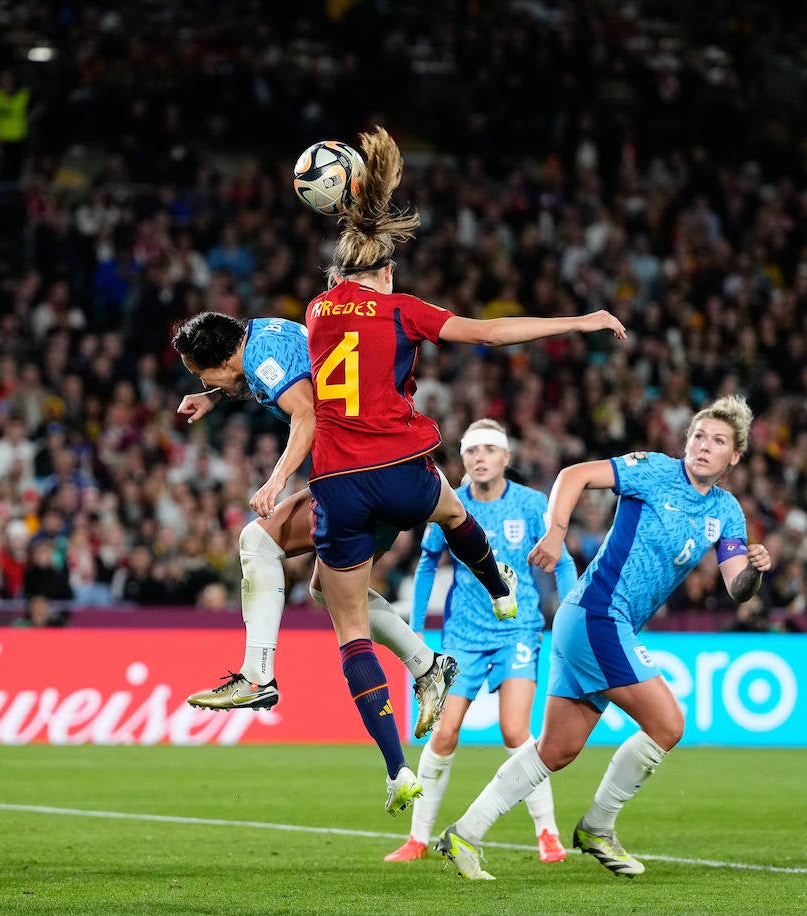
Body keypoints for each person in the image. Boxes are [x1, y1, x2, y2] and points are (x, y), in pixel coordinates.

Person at [303, 125, 627, 815]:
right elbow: (488, 333)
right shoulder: (401, 309)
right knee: (452, 510)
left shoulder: (315, 311)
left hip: (334, 482)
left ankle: (396, 771)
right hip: (398, 467)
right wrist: (578, 321)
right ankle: (499, 587)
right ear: (387, 270)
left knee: (350, 629)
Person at [437, 395, 773, 880]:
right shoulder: (654, 471)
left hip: (594, 624)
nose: (703, 446)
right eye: (698, 435)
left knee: (556, 750)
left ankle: (463, 834)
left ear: (734, 456)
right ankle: (598, 826)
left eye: (718, 441)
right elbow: (572, 475)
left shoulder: (726, 512)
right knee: (668, 724)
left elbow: (737, 586)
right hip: (598, 614)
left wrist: (756, 572)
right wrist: (555, 533)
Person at [174, 311, 459, 746]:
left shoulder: (262, 360)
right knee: (327, 589)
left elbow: (306, 414)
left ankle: (257, 675)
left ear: (224, 359)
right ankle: (427, 665)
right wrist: (216, 394)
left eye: (202, 373)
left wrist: (275, 480)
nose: (202, 381)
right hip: (379, 468)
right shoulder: (261, 332)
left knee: (257, 542)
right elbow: (290, 371)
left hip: (357, 475)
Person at [384, 419, 576, 865]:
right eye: (472, 451)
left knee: (515, 730)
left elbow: (562, 562)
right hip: (462, 636)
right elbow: (428, 561)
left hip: (517, 630)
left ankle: (547, 833)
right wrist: (414, 625)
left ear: (506, 458)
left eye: (490, 450)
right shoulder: (449, 504)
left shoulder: (531, 505)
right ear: (464, 458)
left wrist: (569, 615)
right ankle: (417, 839)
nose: (480, 457)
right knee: (444, 732)